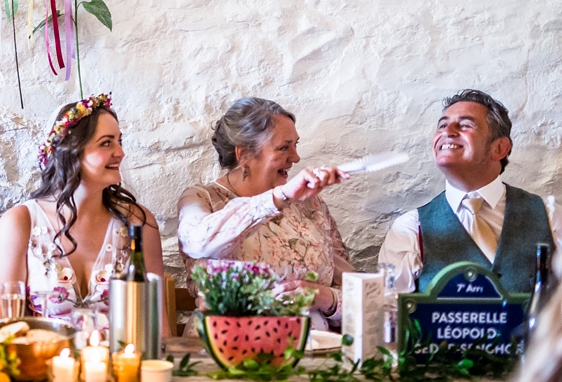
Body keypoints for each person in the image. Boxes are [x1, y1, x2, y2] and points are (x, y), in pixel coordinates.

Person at [177, 97, 354, 331]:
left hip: (318, 350)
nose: (296, 158)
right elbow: (197, 242)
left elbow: (359, 294)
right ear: (244, 155)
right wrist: (278, 197)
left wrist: (328, 299)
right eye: (284, 147)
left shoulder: (311, 205)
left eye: (295, 145)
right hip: (227, 348)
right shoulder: (201, 199)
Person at [0, 93, 165, 323]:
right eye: (106, 143)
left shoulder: (138, 223)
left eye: (119, 141)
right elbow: (9, 328)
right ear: (71, 151)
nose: (120, 153)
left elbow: (157, 325)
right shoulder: (20, 222)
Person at [378, 89, 561, 294]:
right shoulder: (410, 229)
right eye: (443, 125)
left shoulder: (551, 217)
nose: (448, 132)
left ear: (499, 148)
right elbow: (389, 315)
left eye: (465, 125)